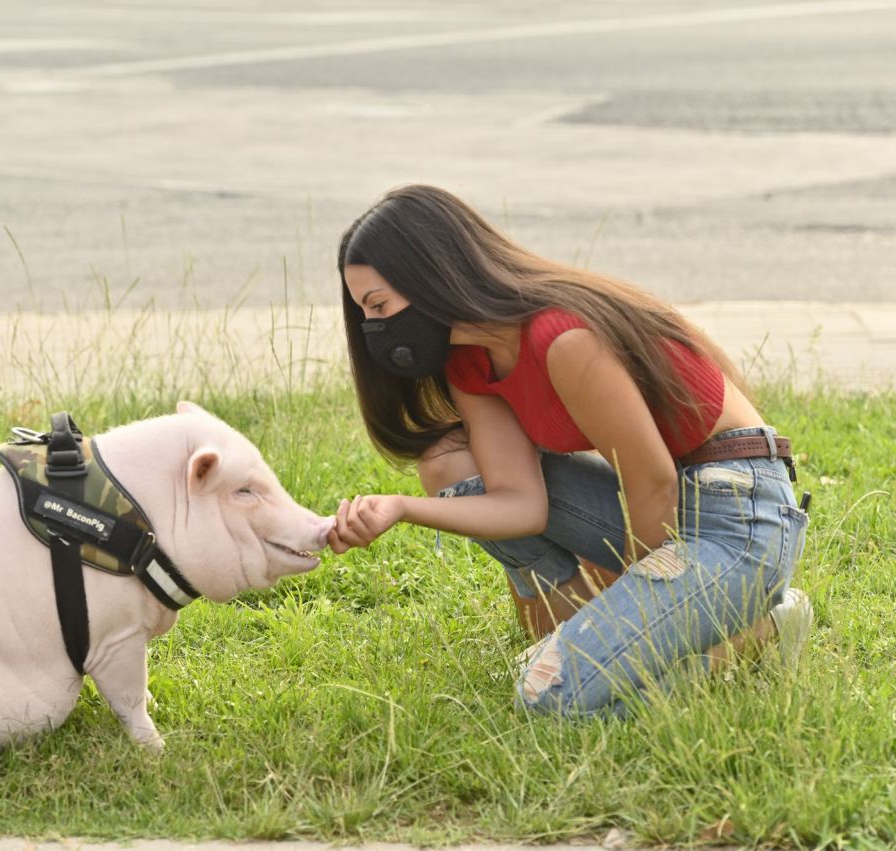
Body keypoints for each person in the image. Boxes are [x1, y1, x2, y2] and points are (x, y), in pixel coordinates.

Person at [328, 184, 813, 718]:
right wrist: (400, 509)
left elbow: (652, 483)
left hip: (738, 516)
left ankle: (759, 630)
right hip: (672, 510)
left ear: (431, 275)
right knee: (455, 469)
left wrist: (637, 602)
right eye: (366, 314)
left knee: (549, 696)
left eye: (380, 306)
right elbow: (519, 502)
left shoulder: (562, 338)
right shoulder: (469, 363)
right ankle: (666, 629)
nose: (376, 329)